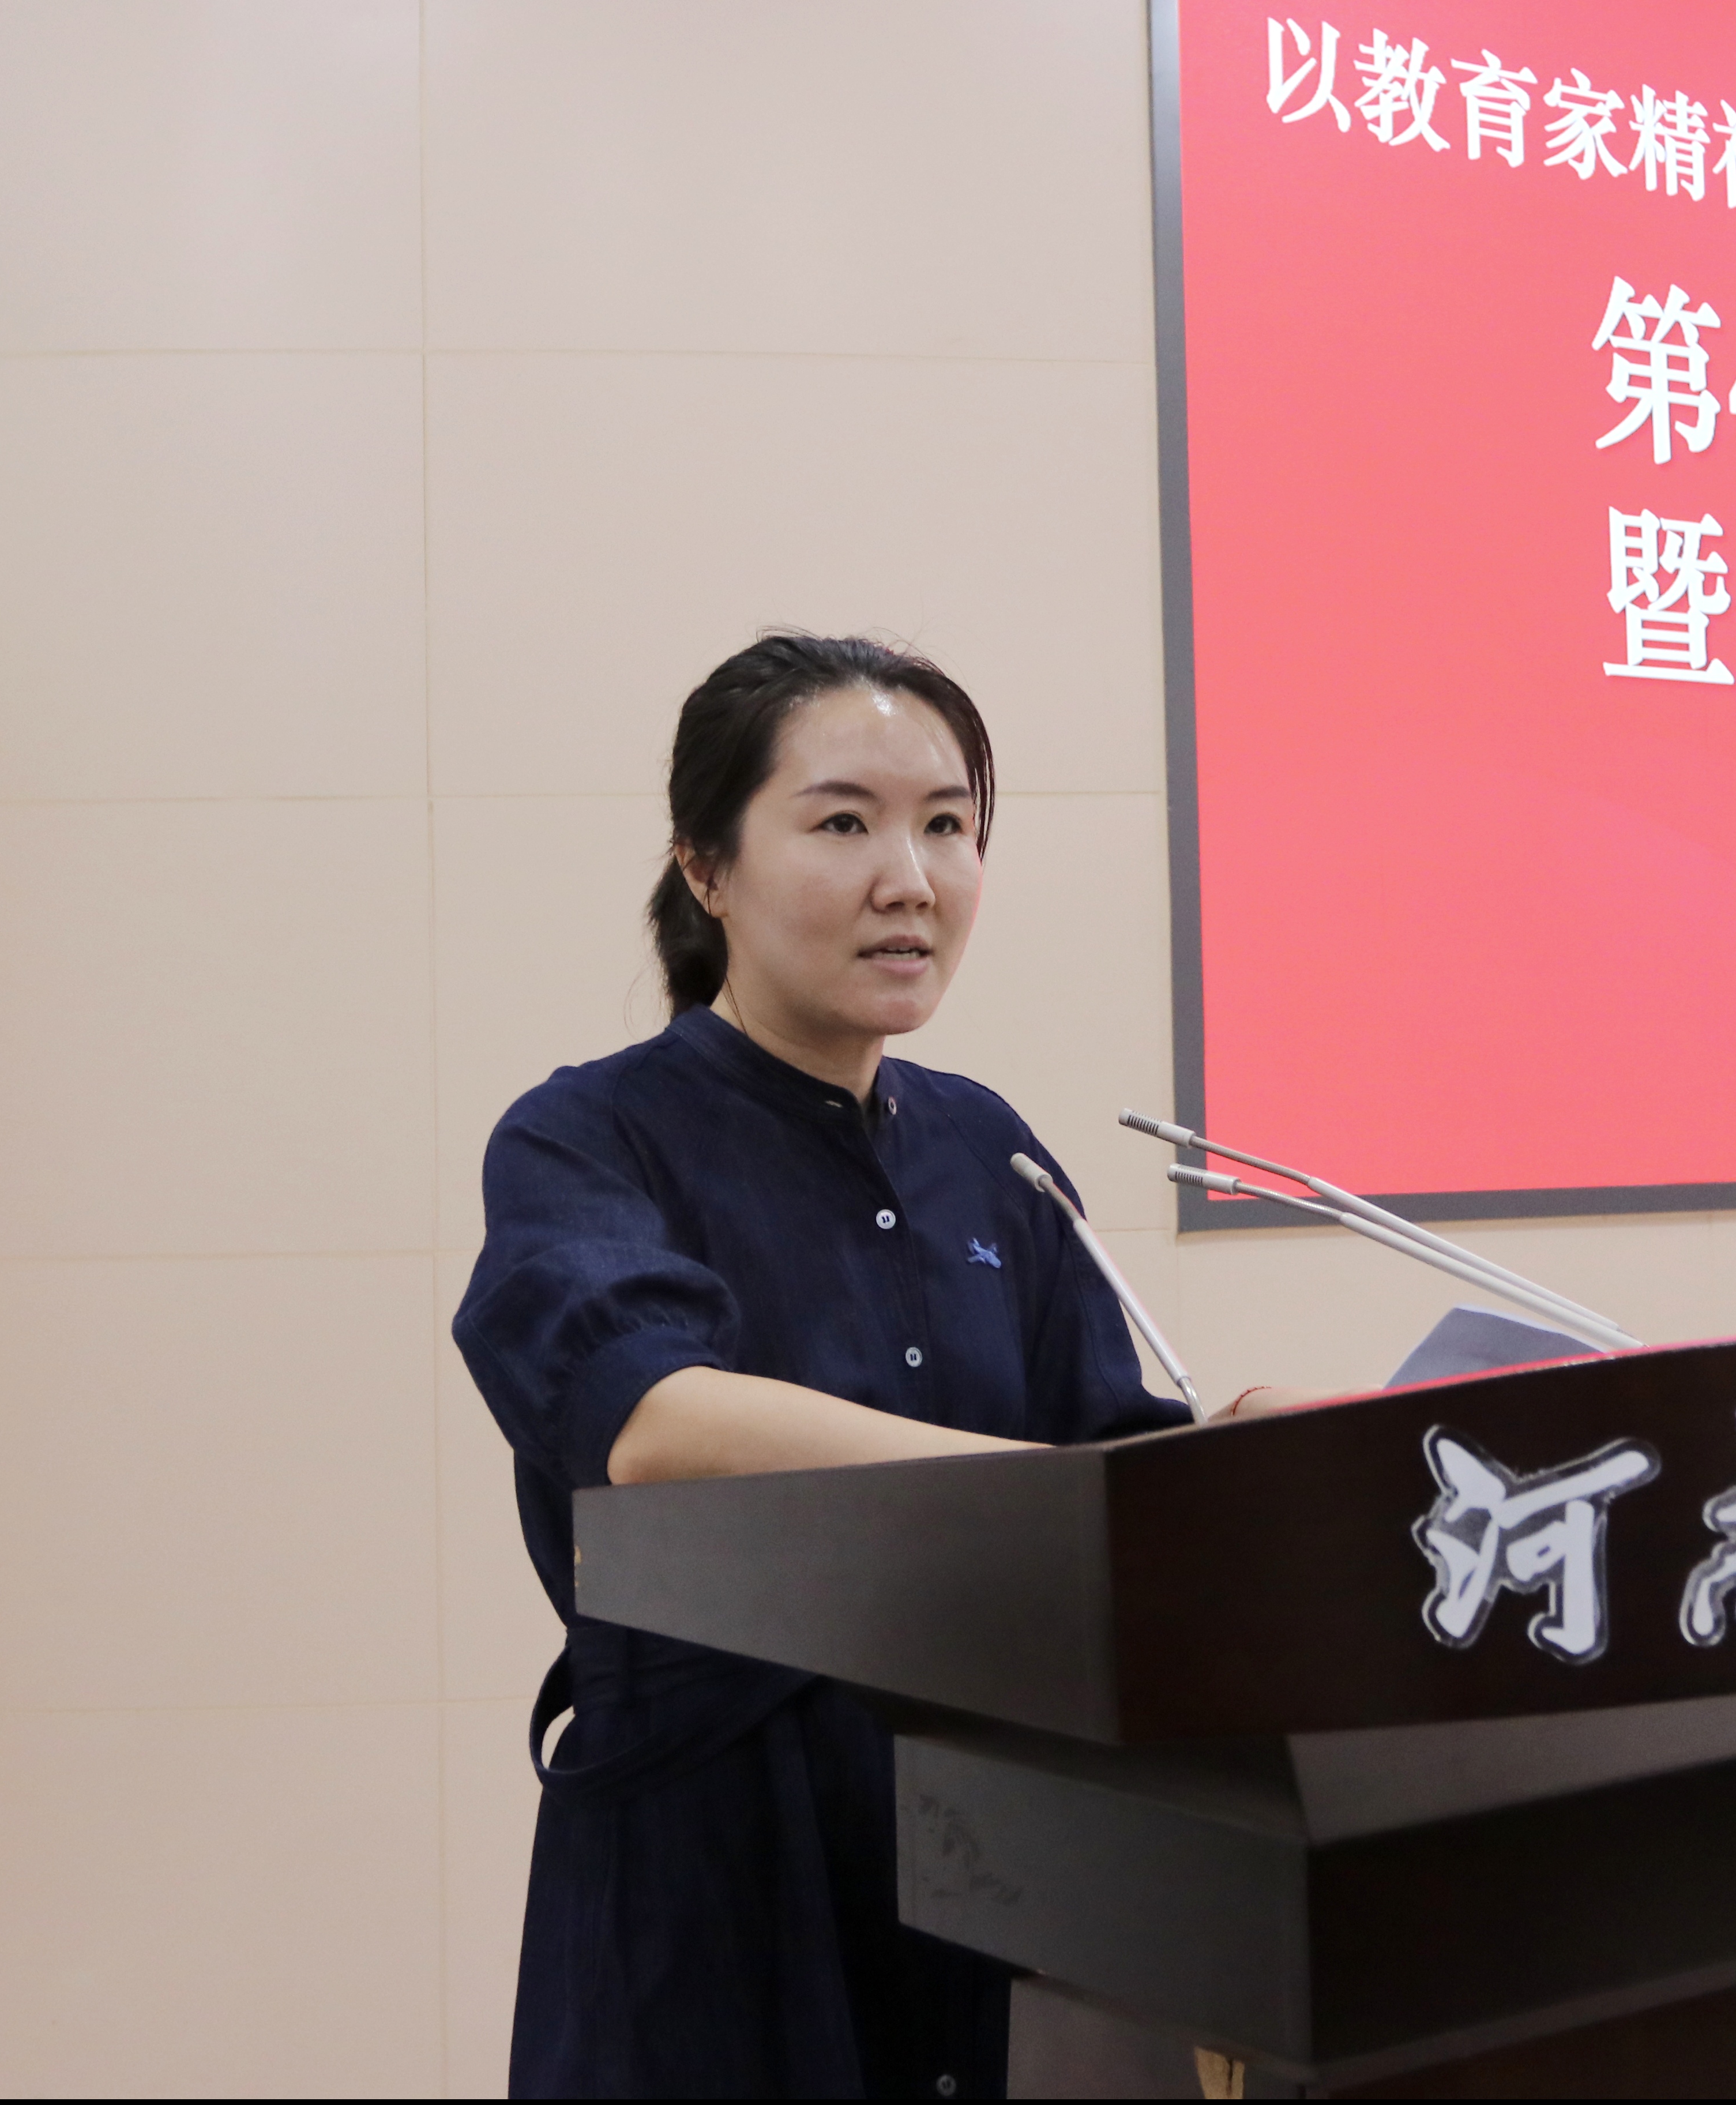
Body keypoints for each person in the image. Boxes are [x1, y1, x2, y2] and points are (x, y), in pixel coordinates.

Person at [454, 633, 1197, 2098]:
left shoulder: (989, 1149)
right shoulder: (587, 1135)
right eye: (845, 822)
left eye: (947, 826)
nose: (910, 879)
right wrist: (1025, 1485)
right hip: (712, 1856)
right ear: (706, 867)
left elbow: (1107, 1458)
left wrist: (1255, 1441)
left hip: (988, 1847)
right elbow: (650, 1416)